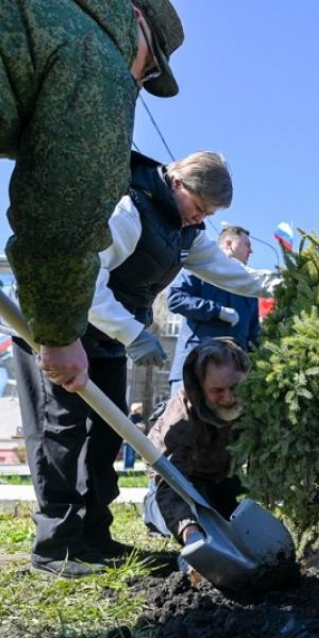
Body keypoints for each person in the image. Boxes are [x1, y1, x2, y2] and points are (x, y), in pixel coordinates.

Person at [14, 150, 278, 578]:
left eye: (209, 214)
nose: (200, 219)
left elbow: (227, 272)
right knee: (60, 433)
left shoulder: (182, 231)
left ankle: (96, 538)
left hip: (107, 338)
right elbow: (85, 277)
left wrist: (279, 282)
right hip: (61, 326)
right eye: (199, 208)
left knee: (106, 435)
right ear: (177, 184)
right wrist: (133, 332)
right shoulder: (128, 209)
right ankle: (56, 546)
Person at [2, 0, 184, 391]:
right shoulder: (98, 58)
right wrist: (61, 334)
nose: (138, 84)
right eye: (149, 68)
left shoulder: (48, 16)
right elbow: (61, 212)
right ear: (135, 18)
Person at [143, 339, 248, 551]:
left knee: (231, 518)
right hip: (181, 480)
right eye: (217, 391)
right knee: (195, 520)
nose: (228, 398)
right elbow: (170, 483)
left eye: (235, 387)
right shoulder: (180, 421)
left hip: (221, 474)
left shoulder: (254, 400)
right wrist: (190, 533)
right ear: (200, 387)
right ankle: (152, 511)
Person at [167, 225, 260, 396]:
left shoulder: (248, 285)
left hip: (232, 376)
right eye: (247, 244)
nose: (251, 251)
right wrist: (217, 311)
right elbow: (175, 298)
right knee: (183, 420)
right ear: (228, 243)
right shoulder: (201, 268)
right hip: (194, 369)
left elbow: (254, 336)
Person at [123, 402, 146, 470]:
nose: (142, 410)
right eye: (140, 409)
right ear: (136, 409)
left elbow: (142, 426)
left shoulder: (140, 417)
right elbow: (131, 425)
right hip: (129, 438)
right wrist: (138, 426)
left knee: (132, 453)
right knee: (128, 453)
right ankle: (127, 467)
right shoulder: (132, 416)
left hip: (135, 438)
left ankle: (131, 466)